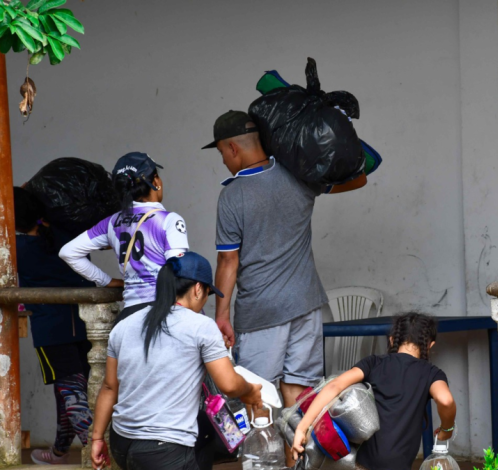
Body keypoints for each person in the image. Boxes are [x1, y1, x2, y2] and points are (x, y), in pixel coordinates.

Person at [203, 111, 366, 428]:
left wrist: (221, 315)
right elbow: (359, 178)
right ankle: (298, 459)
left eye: (222, 152)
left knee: (256, 392)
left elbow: (228, 261)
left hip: (261, 312)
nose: (223, 160)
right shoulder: (299, 176)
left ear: (232, 148)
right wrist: (343, 138)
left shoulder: (233, 196)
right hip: (306, 303)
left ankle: (263, 461)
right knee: (300, 389)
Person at [90, 251, 263, 470]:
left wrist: (97, 439)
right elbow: (228, 385)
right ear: (198, 288)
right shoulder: (201, 325)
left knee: (204, 426)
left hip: (122, 443)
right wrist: (250, 391)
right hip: (164, 449)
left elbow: (109, 387)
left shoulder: (124, 325)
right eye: (208, 293)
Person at [291, 313, 456, 470]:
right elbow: (446, 400)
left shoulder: (374, 363)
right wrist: (445, 431)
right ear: (429, 344)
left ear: (392, 340)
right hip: (397, 464)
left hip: (361, 462)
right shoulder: (431, 373)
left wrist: (302, 428)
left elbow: (334, 386)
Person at [14, 187, 95, 465]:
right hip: (83, 325)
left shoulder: (18, 249)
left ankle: (99, 452)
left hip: (51, 330)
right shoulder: (64, 236)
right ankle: (60, 451)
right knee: (72, 392)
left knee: (71, 396)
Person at [60, 152, 189, 320]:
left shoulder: (111, 222)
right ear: (156, 181)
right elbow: (179, 271)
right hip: (165, 312)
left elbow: (68, 252)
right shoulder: (169, 220)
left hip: (131, 314)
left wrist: (106, 281)